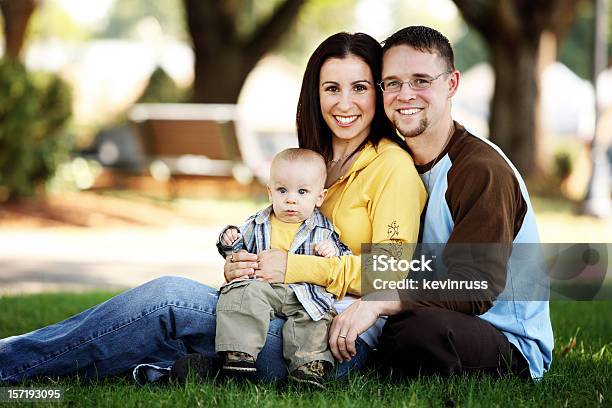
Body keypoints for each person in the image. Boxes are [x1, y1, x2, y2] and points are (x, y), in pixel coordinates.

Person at [0, 32, 426, 385]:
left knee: (168, 301)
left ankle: (11, 363)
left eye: (360, 87)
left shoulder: (392, 167)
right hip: (271, 312)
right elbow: (275, 236)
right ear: (315, 94)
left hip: (327, 343)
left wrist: (291, 268)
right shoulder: (311, 162)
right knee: (167, 322)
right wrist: (244, 265)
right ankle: (161, 369)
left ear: (378, 93)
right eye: (331, 88)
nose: (344, 103)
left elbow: (389, 272)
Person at [328, 26, 554, 380]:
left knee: (416, 330)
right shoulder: (396, 163)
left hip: (502, 337)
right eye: (392, 82)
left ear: (451, 84)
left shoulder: (481, 170)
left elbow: (475, 284)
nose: (405, 95)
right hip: (429, 309)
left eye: (420, 81)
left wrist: (379, 300)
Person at [214, 148, 351, 387]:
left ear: (320, 197)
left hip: (305, 293)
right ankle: (239, 353)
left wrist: (332, 250)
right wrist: (230, 242)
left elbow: (345, 257)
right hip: (264, 287)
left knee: (315, 319)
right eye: (282, 190)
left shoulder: (325, 230)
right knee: (242, 294)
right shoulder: (257, 222)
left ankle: (308, 366)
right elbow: (240, 252)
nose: (290, 199)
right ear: (270, 192)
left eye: (302, 192)